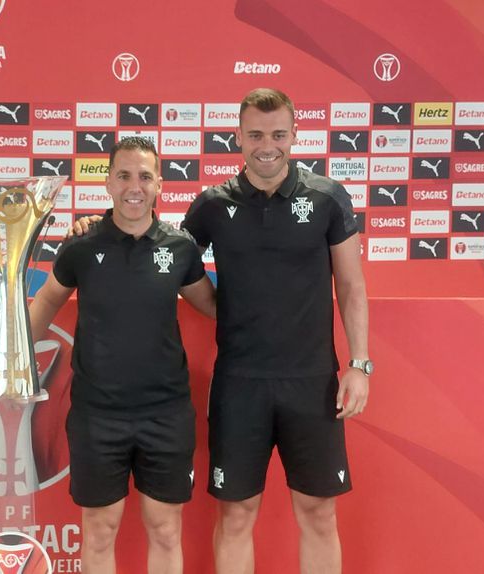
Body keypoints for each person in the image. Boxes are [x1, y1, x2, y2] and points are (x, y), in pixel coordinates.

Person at [74, 88, 371, 573]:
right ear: (238, 137)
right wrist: (98, 226)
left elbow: (352, 287)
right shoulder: (212, 205)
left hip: (313, 382)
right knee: (236, 516)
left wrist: (360, 364)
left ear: (295, 135)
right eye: (255, 134)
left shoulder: (329, 198)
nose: (266, 145)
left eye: (277, 134)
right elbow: (157, 249)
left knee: (318, 513)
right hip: (239, 384)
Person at [30, 136, 216, 573]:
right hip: (98, 415)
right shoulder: (80, 245)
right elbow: (46, 302)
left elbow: (212, 306)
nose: (135, 186)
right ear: (108, 184)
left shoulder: (180, 248)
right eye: (125, 176)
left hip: (166, 413)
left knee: (166, 528)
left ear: (159, 186)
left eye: (145, 177)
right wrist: (13, 365)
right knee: (99, 530)